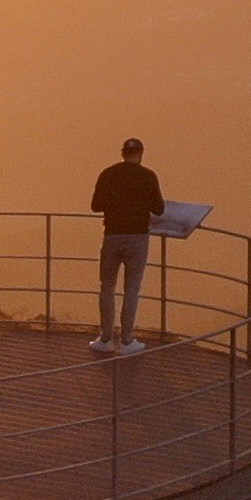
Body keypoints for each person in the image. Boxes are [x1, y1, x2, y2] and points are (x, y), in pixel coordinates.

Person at [88, 137, 163, 356]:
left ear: (122, 153)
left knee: (107, 287)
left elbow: (95, 206)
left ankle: (105, 338)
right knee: (131, 289)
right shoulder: (148, 176)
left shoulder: (108, 174)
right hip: (137, 238)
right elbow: (159, 209)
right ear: (141, 154)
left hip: (112, 236)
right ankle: (127, 341)